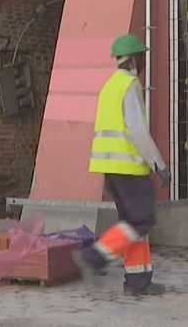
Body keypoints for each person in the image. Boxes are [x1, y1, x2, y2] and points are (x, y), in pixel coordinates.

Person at [73, 33, 170, 297]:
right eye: (142, 56)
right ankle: (93, 256)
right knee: (141, 220)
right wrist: (159, 164)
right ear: (135, 58)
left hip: (111, 169)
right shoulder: (130, 85)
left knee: (132, 224)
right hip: (130, 169)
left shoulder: (109, 86)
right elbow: (137, 131)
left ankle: (138, 283)